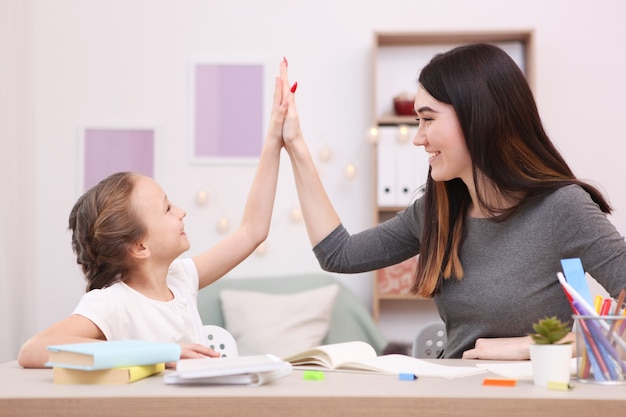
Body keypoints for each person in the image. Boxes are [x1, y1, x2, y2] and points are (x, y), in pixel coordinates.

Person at [279, 43, 626, 360]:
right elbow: (338, 254)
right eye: (417, 121)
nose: (418, 138)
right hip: (455, 395)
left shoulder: (563, 208)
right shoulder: (438, 211)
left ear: (481, 116)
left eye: (428, 119)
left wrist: (531, 346)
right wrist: (295, 145)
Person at [17, 59, 294, 368]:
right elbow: (34, 350)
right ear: (140, 247)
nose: (181, 211)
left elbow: (253, 231)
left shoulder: (181, 280)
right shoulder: (113, 303)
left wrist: (274, 138)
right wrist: (162, 353)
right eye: (167, 208)